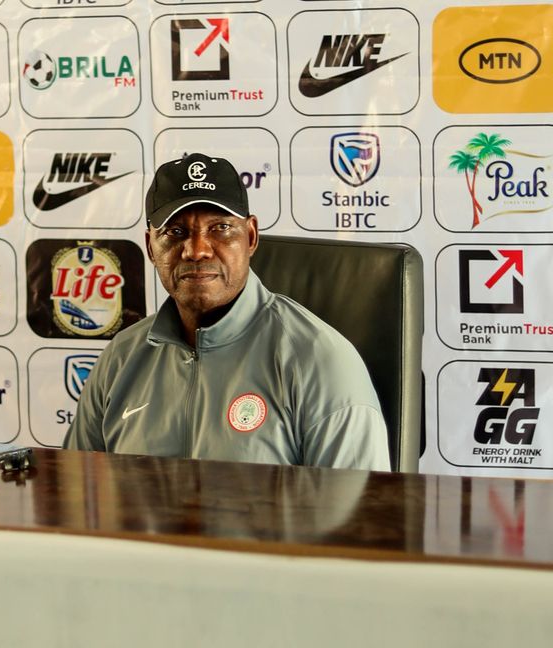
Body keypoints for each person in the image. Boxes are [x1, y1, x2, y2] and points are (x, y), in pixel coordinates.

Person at [64, 153, 390, 470]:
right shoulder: (121, 358)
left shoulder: (319, 360)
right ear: (151, 246)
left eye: (219, 228)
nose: (197, 250)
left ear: (250, 237)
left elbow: (359, 520)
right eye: (175, 232)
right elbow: (75, 498)